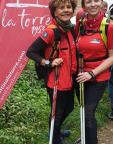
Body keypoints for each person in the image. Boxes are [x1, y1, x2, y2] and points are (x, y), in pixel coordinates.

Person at [26, 0, 77, 143]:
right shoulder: (51, 31)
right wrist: (48, 62)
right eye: (61, 8)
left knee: (69, 108)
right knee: (57, 113)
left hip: (70, 78)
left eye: (69, 7)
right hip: (56, 80)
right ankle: (55, 139)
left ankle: (57, 130)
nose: (66, 10)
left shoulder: (70, 29)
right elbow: (31, 52)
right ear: (55, 12)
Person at [75, 0, 113, 143]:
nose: (93, 4)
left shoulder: (109, 26)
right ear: (83, 6)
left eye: (96, 0)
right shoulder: (80, 23)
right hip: (80, 75)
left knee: (88, 112)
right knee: (83, 111)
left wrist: (92, 73)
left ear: (101, 3)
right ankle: (85, 137)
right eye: (88, 2)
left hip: (98, 77)